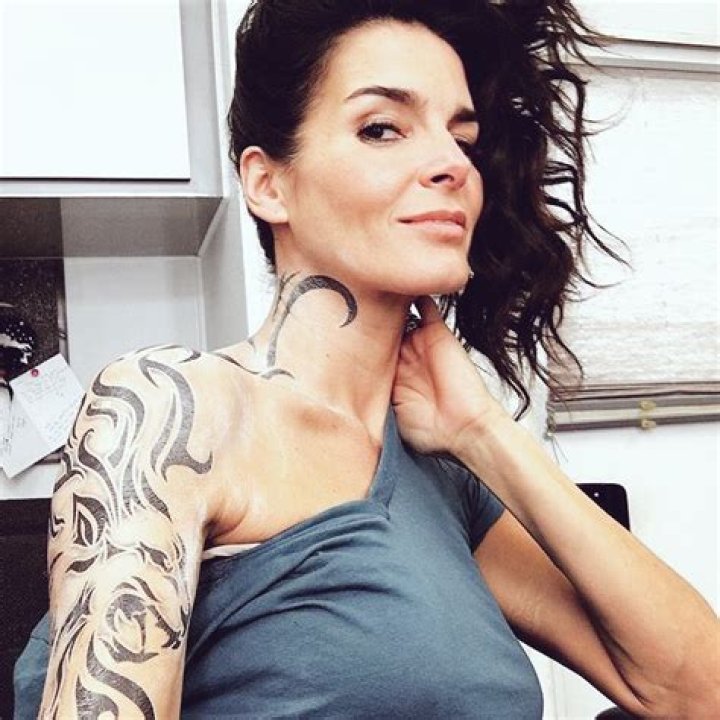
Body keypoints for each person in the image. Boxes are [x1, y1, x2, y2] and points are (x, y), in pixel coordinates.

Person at [14, 0, 719, 717]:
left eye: (462, 138)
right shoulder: (168, 407)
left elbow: (697, 693)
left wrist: (485, 433)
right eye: (382, 128)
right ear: (268, 184)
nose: (451, 164)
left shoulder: (446, 476)